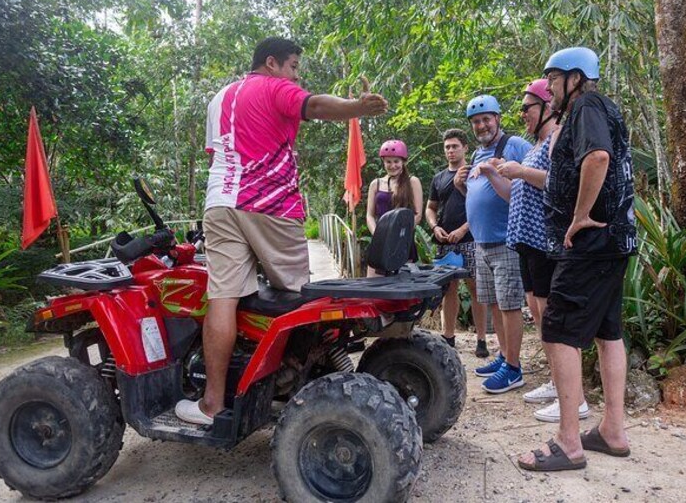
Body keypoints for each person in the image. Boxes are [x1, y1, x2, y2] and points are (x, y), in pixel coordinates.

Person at [175, 37, 388, 425]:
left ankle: (211, 403)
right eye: (293, 66)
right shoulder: (274, 87)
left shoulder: (219, 98)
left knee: (223, 298)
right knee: (297, 295)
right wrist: (357, 108)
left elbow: (222, 153)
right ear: (271, 63)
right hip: (270, 204)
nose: (296, 75)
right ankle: (303, 392)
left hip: (219, 204)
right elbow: (315, 105)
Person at [518, 47, 637, 472]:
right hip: (614, 240)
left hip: (592, 241)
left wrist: (581, 214)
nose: (548, 89)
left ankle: (569, 442)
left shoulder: (587, 104)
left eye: (552, 79)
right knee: (607, 331)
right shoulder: (599, 107)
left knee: (559, 327)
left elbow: (598, 157)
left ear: (574, 77)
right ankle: (612, 430)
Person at [496, 79, 589, 423]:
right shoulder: (538, 143)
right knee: (538, 312)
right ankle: (558, 382)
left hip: (545, 238)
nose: (522, 115)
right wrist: (500, 173)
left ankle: (575, 397)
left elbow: (561, 183)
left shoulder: (558, 136)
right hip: (526, 240)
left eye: (527, 108)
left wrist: (521, 171)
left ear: (547, 106)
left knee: (551, 315)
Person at [454, 95, 531, 394]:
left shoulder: (514, 146)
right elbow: (479, 195)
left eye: (486, 119)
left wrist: (492, 172)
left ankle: (514, 368)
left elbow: (528, 190)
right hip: (482, 242)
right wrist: (462, 185)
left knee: (510, 305)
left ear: (498, 118)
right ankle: (503, 357)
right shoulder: (477, 154)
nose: (481, 125)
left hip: (506, 239)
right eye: (475, 122)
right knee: (495, 304)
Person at [425, 128, 488, 357]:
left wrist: (464, 229)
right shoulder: (439, 178)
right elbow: (431, 208)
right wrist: (435, 227)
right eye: (447, 147)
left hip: (471, 238)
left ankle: (481, 339)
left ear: (465, 148)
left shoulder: (474, 173)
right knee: (448, 288)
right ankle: (449, 337)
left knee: (475, 288)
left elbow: (482, 205)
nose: (450, 151)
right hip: (444, 240)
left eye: (454, 146)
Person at [366, 139, 423, 274]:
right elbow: (369, 214)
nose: (392, 166)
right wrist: (378, 235)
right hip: (380, 244)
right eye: (388, 162)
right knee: (373, 289)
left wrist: (396, 236)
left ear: (403, 161)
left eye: (396, 161)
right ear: (383, 162)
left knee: (401, 291)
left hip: (403, 244)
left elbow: (418, 214)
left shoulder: (412, 182)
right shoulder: (376, 184)